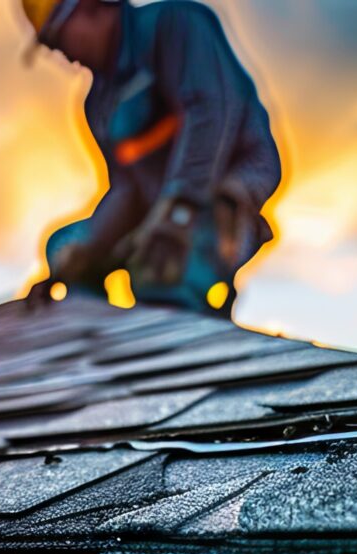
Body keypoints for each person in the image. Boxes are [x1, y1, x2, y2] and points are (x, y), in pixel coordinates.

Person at [21, 0, 280, 317]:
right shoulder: (99, 104)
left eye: (55, 38)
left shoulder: (177, 26)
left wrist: (177, 211)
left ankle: (183, 341)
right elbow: (126, 189)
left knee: (162, 267)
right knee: (64, 247)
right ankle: (94, 340)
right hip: (155, 215)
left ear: (89, 7)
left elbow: (208, 115)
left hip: (218, 201)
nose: (60, 53)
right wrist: (84, 253)